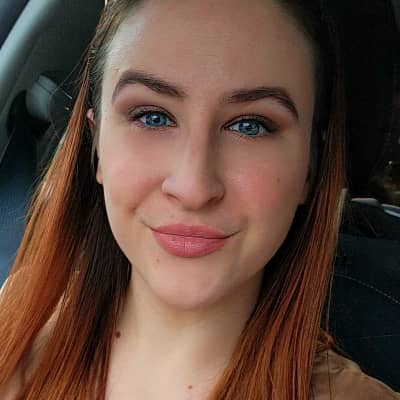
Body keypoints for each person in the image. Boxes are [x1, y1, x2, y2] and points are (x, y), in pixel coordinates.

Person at [0, 0, 398, 398]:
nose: (193, 189)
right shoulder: (15, 321)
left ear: (310, 167)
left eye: (251, 126)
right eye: (152, 117)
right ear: (97, 146)